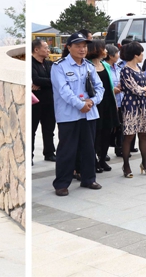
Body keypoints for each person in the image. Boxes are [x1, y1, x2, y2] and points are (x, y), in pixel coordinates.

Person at [51, 32, 104, 196]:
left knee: (88, 149)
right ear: (69, 47)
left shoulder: (89, 66)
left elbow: (100, 87)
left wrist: (92, 102)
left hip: (89, 114)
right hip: (69, 115)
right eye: (78, 46)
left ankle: (88, 179)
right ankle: (62, 183)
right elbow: (63, 90)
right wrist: (80, 104)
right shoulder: (59, 66)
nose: (82, 49)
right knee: (67, 150)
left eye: (84, 46)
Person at [118, 42, 146, 177]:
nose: (143, 55)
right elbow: (135, 89)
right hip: (130, 105)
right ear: (135, 55)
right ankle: (126, 165)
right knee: (129, 136)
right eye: (141, 53)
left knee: (143, 134)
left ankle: (145, 163)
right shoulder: (125, 70)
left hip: (143, 105)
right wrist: (145, 90)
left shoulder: (139, 68)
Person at [89, 42, 119, 172]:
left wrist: (115, 103)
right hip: (95, 104)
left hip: (108, 102)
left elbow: (110, 86)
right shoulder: (87, 65)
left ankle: (102, 159)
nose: (106, 51)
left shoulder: (105, 65)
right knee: (96, 133)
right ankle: (93, 160)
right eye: (103, 49)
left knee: (107, 131)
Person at [31, 38, 57, 162]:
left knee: (49, 129)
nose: (48, 50)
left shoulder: (49, 64)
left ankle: (49, 153)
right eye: (45, 48)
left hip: (49, 101)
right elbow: (35, 79)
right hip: (35, 103)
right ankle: (29, 156)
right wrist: (48, 82)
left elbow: (56, 79)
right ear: (36, 49)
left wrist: (43, 83)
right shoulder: (31, 63)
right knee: (32, 130)